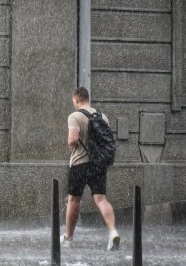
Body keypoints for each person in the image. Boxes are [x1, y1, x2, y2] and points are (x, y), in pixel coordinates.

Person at [61, 86, 120, 251]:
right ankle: (113, 231)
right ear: (89, 99)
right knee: (101, 199)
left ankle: (69, 238)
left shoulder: (75, 116)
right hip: (98, 164)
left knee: (74, 200)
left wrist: (73, 146)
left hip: (79, 164)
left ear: (76, 100)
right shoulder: (102, 117)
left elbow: (73, 139)